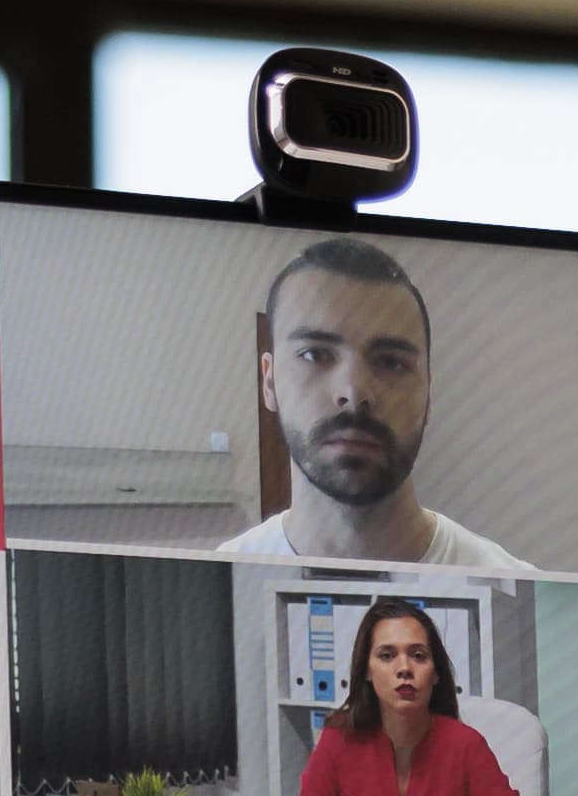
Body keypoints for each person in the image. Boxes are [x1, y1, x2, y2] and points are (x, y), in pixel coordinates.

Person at [217, 239, 528, 574]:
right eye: (314, 354)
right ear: (269, 382)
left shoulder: (516, 592)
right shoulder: (223, 581)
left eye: (391, 362)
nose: (354, 392)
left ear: (428, 391)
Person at [277, 598, 538, 796]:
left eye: (418, 655)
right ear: (366, 670)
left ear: (436, 673)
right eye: (387, 656)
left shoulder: (467, 747)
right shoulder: (339, 739)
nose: (404, 668)